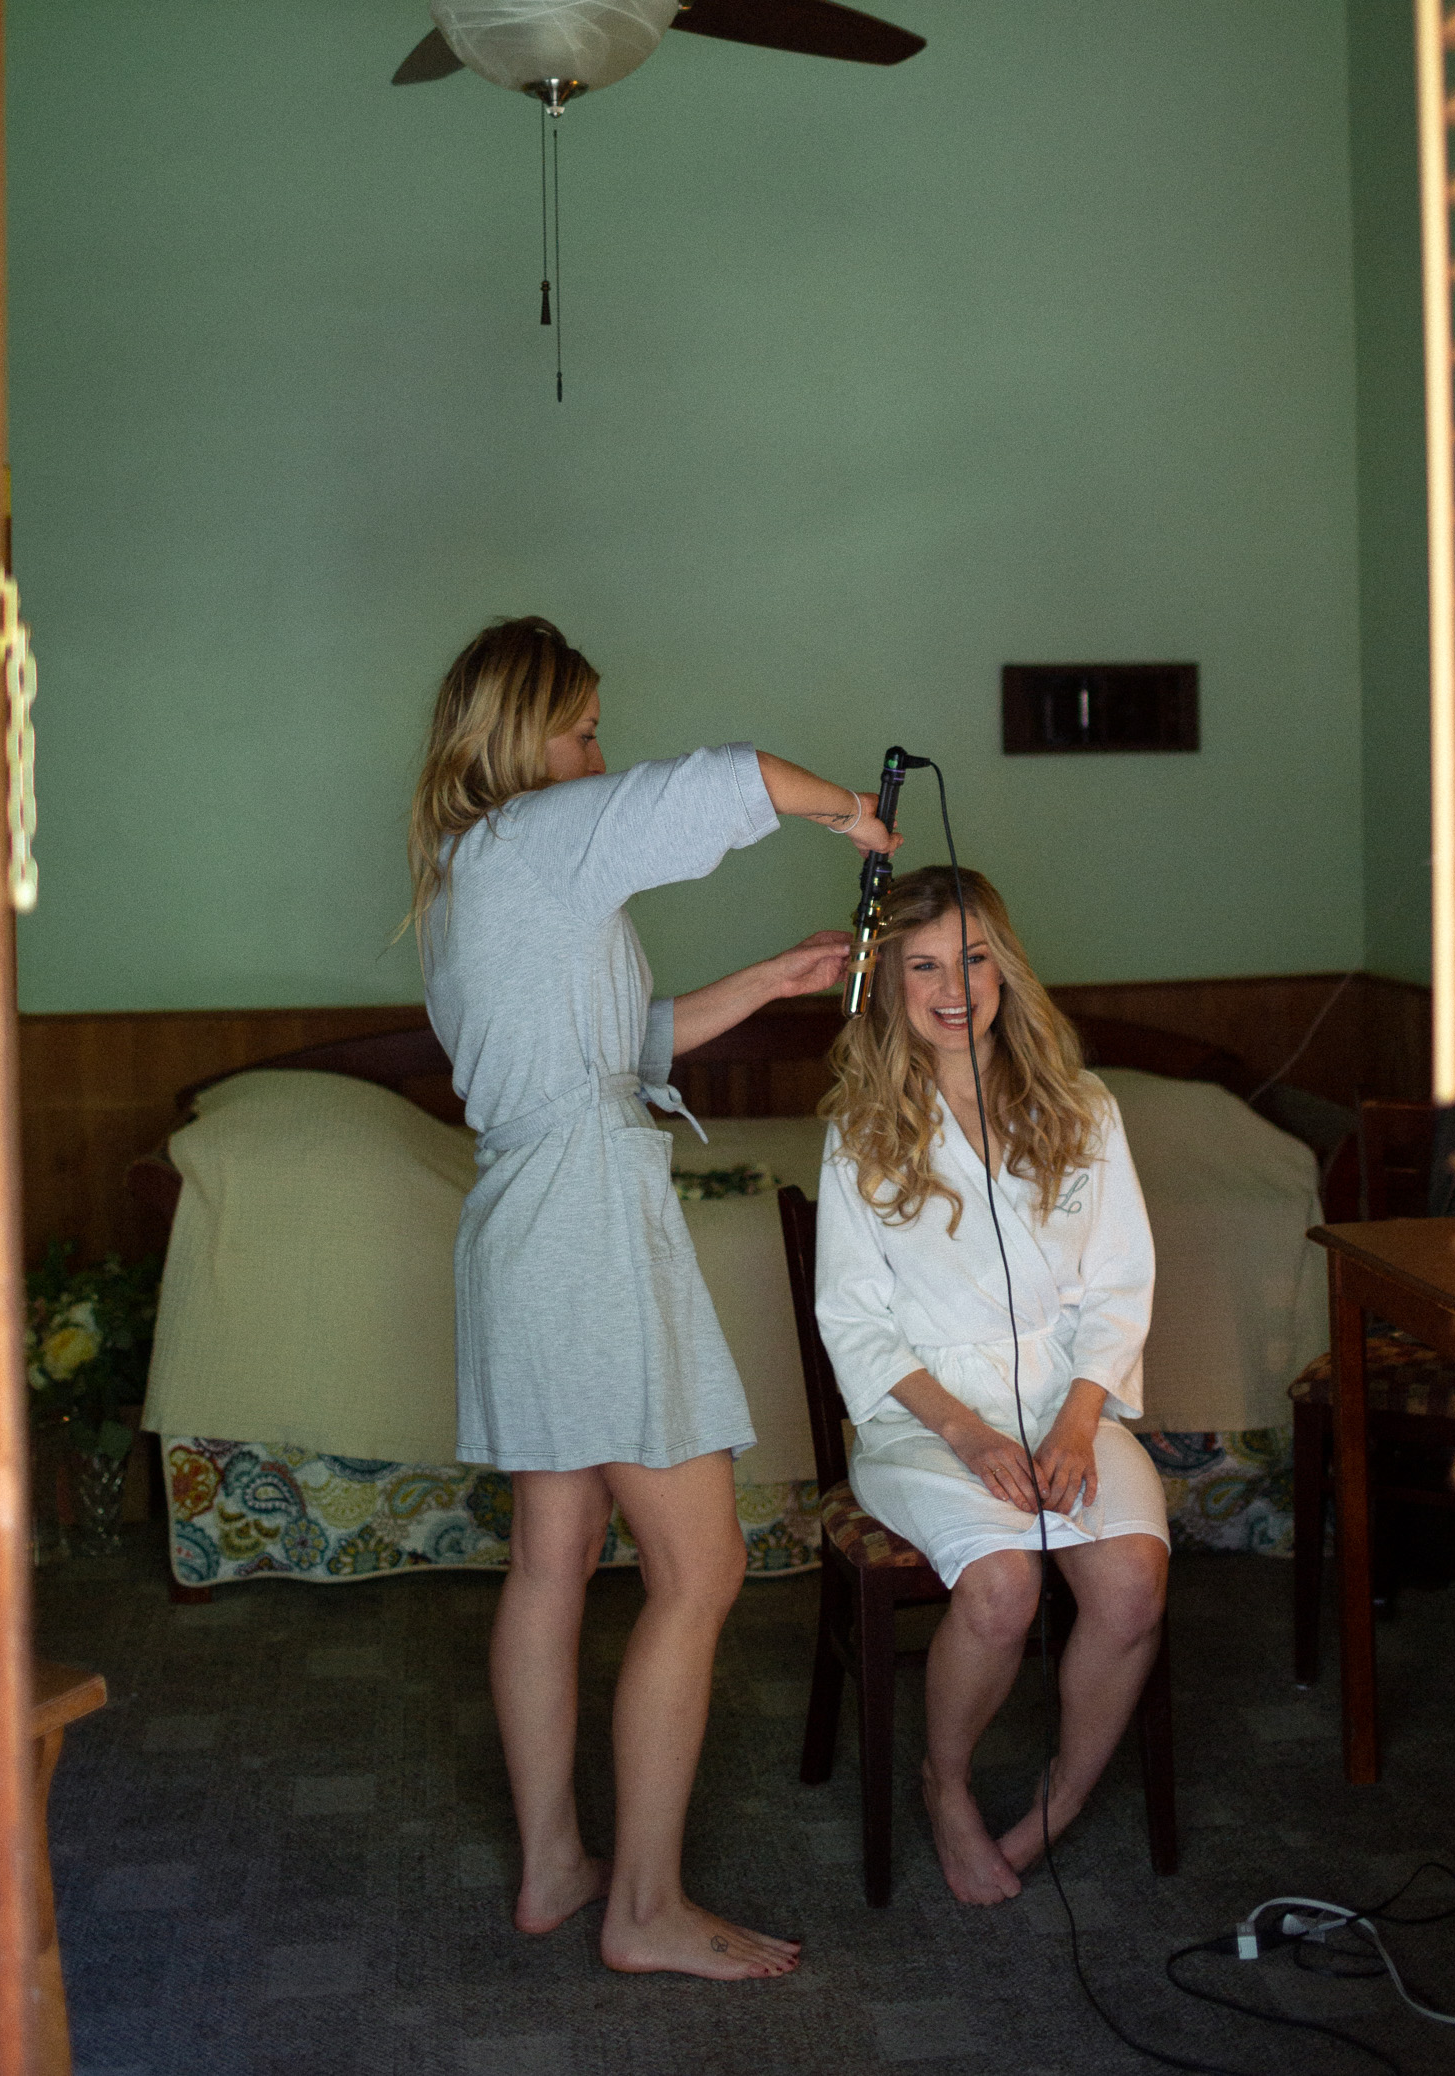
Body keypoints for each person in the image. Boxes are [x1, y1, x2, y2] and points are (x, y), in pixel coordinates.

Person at [410, 615, 898, 1980]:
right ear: (521, 739)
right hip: (581, 1228)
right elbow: (730, 779)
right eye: (580, 728)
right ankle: (643, 1910)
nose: (596, 754)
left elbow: (607, 1048)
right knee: (703, 1566)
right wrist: (848, 813)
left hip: (520, 1221)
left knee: (550, 1558)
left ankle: (557, 1866)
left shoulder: (470, 878)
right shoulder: (541, 836)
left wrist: (772, 979)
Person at [814, 865, 1169, 1907]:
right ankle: (948, 1784)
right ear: (890, 983)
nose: (952, 985)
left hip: (1072, 1402)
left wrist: (1074, 1422)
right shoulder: (861, 1128)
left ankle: (1060, 1798)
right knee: (1005, 1585)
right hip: (927, 1419)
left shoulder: (1082, 1108)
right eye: (923, 965)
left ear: (1003, 966)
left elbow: (1120, 1287)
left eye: (970, 958)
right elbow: (855, 1322)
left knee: (1132, 1585)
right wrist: (970, 1436)